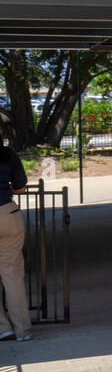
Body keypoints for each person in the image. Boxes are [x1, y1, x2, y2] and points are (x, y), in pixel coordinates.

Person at [0, 137, 31, 341]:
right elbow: (20, 186)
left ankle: (3, 328)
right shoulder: (7, 153)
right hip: (7, 213)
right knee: (12, 274)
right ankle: (23, 330)